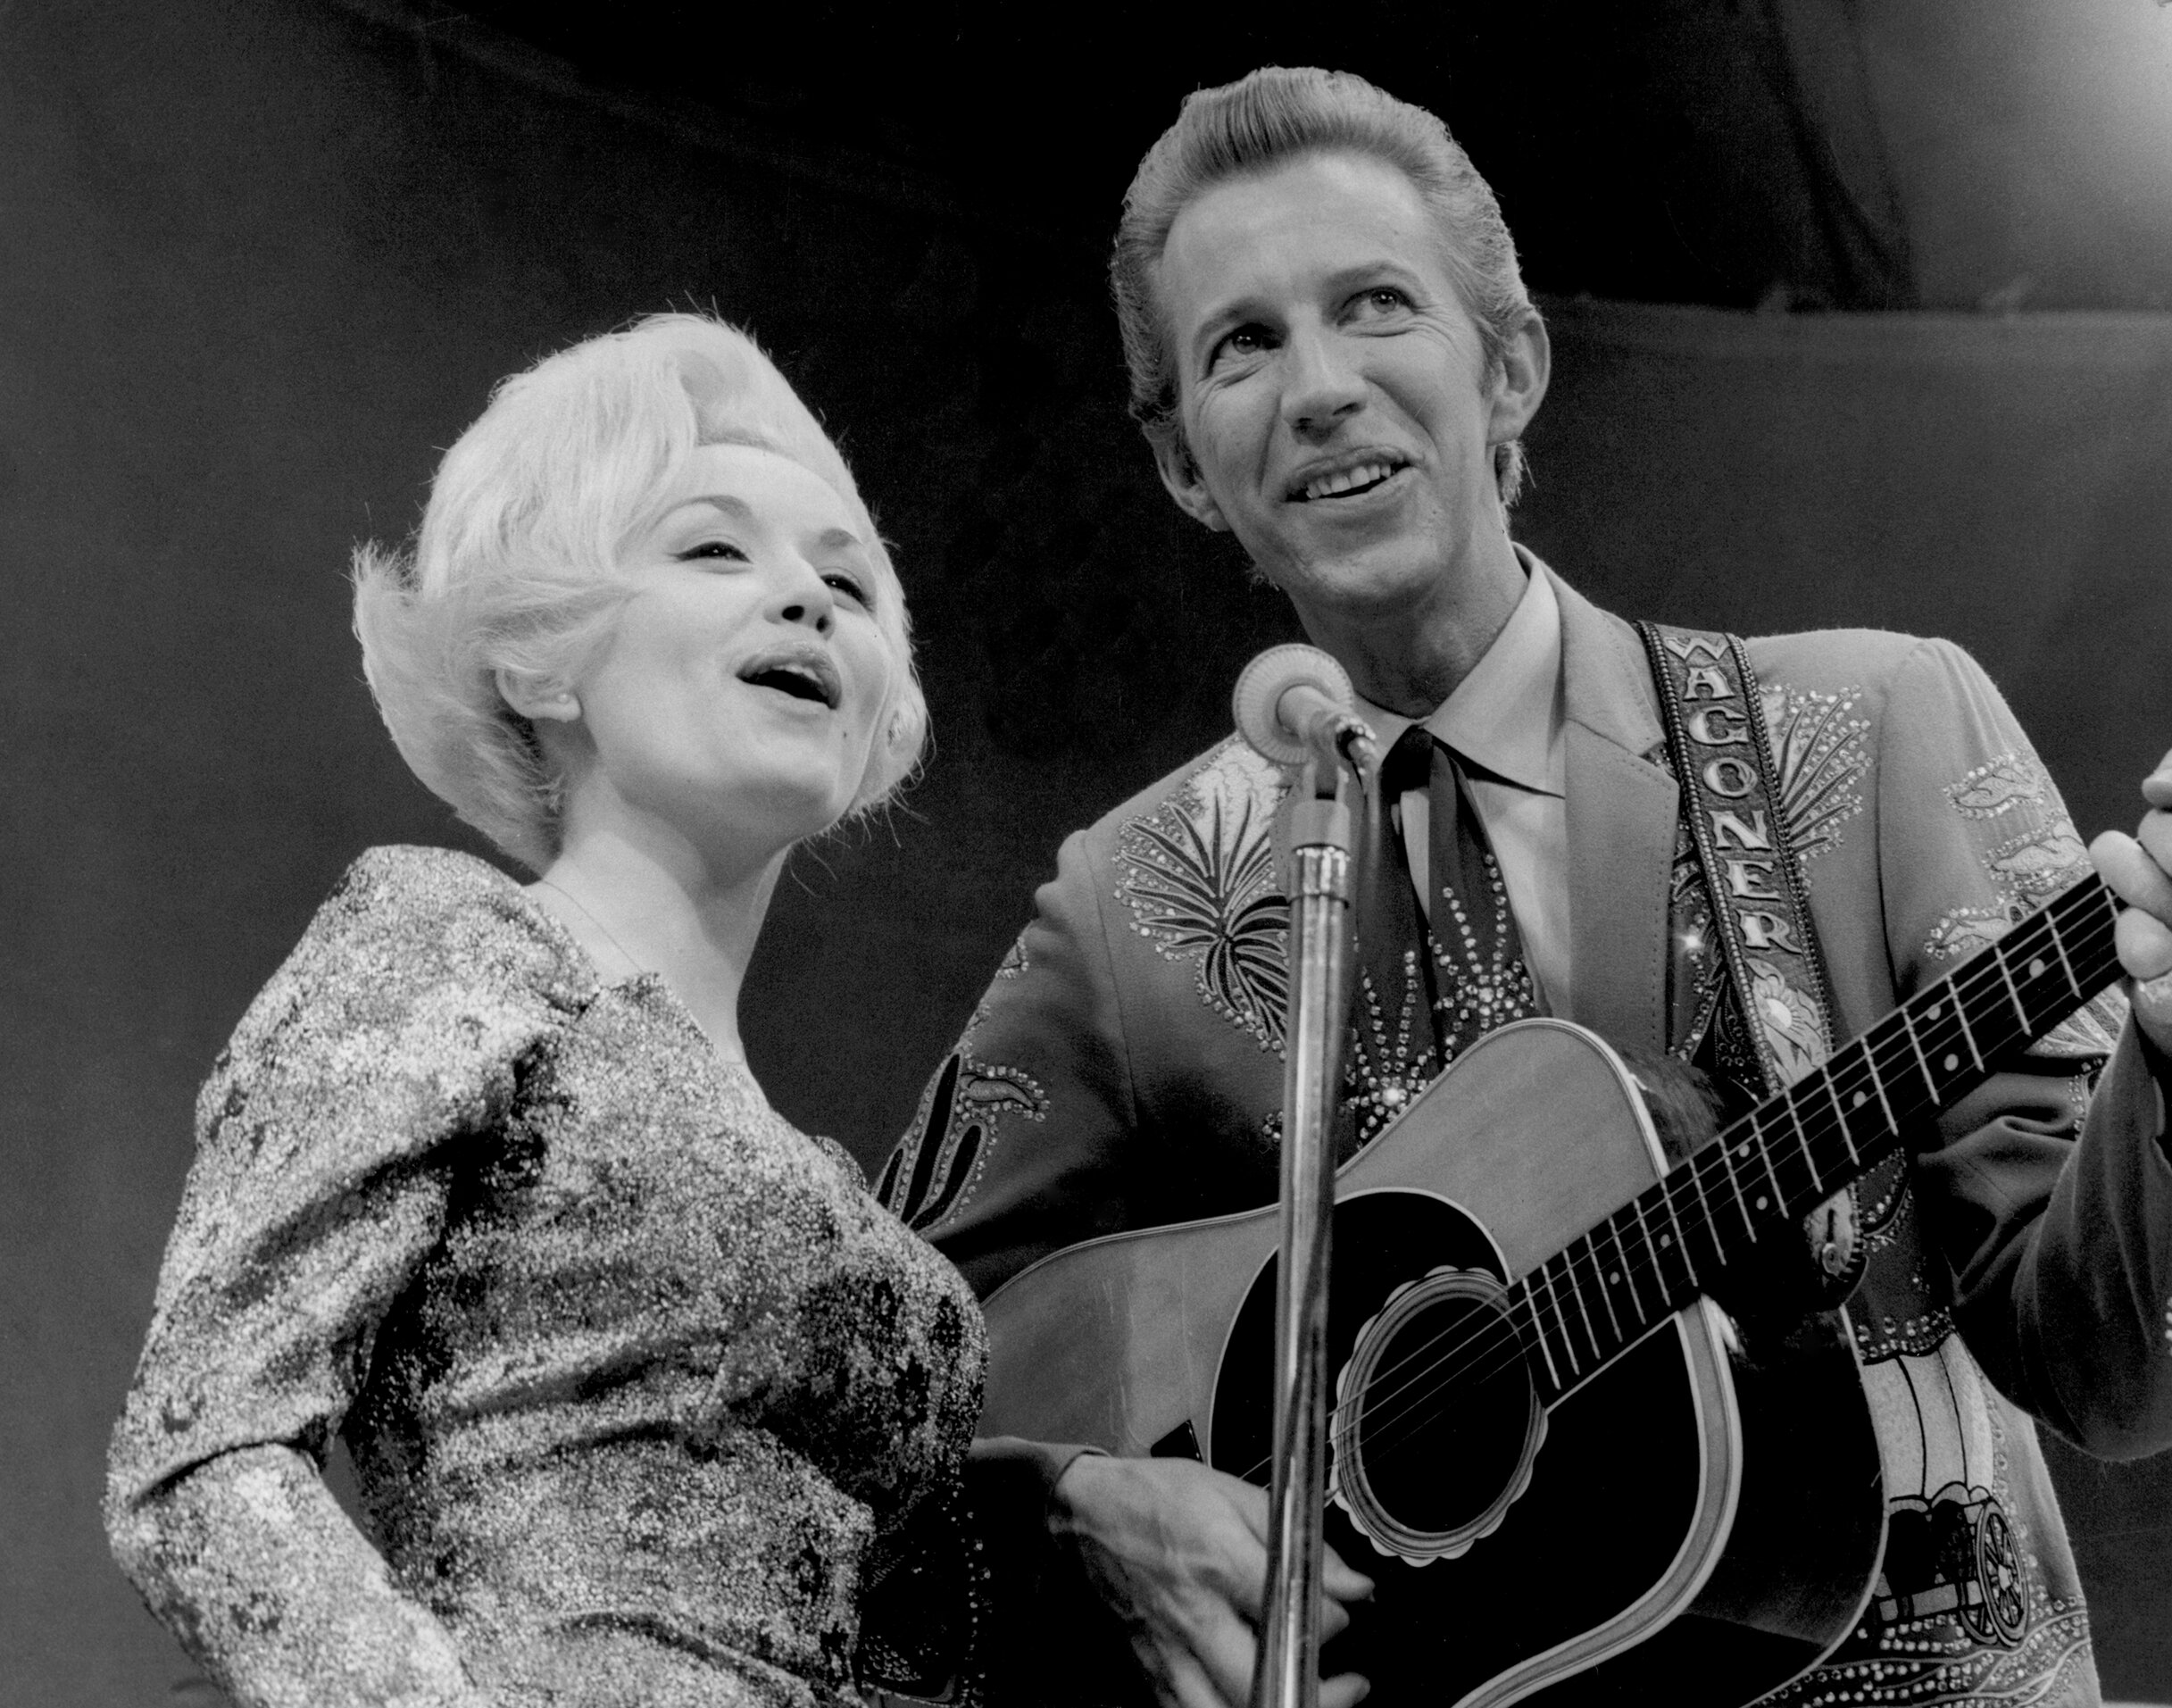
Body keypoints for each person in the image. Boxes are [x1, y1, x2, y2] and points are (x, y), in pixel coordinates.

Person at [878, 68, 2172, 1708]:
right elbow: (867, 1359)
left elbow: (2115, 1370)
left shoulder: (1870, 728)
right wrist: (1075, 1509)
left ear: (1511, 368)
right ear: (1183, 468)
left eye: (1374, 306)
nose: (1320, 386)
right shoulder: (1136, 910)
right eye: (1241, 343)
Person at [104, 313, 1084, 1708]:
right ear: (538, 661)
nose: (807, 599)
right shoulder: (449, 946)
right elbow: (202, 1459)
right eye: (714, 548)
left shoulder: (833, 1188)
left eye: (848, 583)